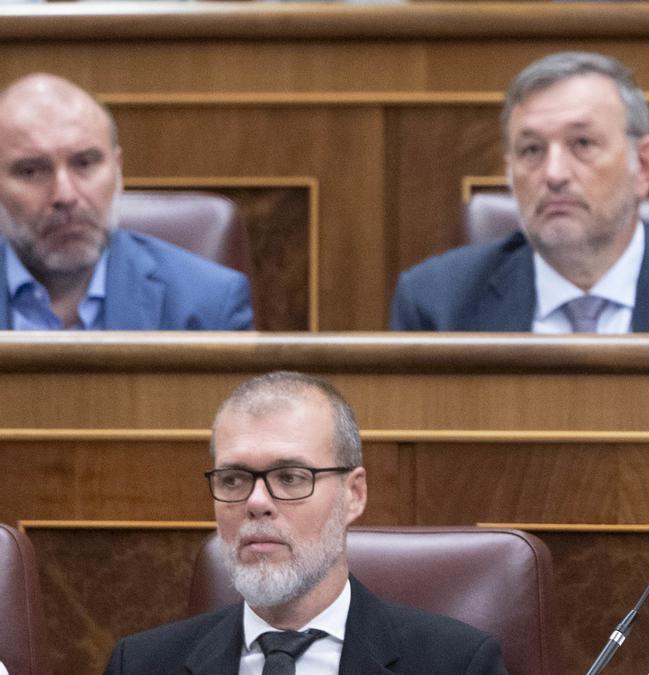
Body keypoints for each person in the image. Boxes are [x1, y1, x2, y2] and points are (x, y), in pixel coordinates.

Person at [104, 371, 506, 674]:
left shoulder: (457, 664)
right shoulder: (141, 663)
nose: (256, 502)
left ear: (354, 495)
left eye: (291, 478)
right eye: (233, 480)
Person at [389, 51, 649, 332]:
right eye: (531, 150)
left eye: (582, 143)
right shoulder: (436, 306)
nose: (555, 174)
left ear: (643, 165)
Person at [0, 73, 253, 330]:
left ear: (118, 170)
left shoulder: (210, 303)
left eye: (85, 163)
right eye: (31, 171)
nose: (65, 195)